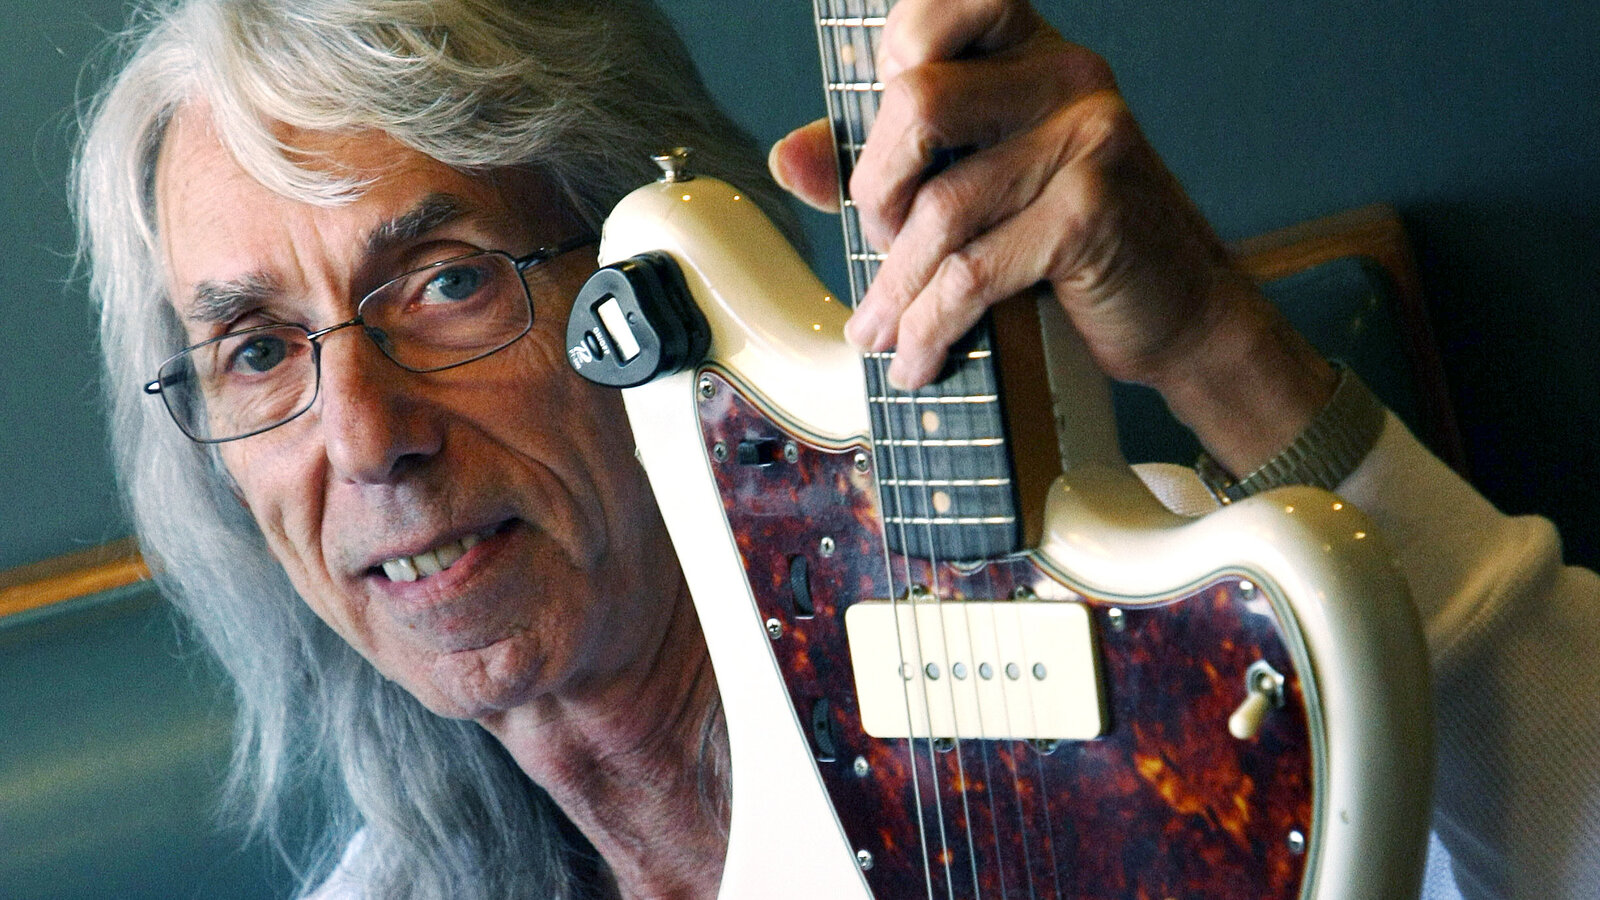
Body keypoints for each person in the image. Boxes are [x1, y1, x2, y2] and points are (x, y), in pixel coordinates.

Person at [71, 0, 1598, 899]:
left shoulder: (1130, 661)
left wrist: (1212, 341)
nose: (365, 438)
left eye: (449, 282)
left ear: (663, 293)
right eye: (257, 349)